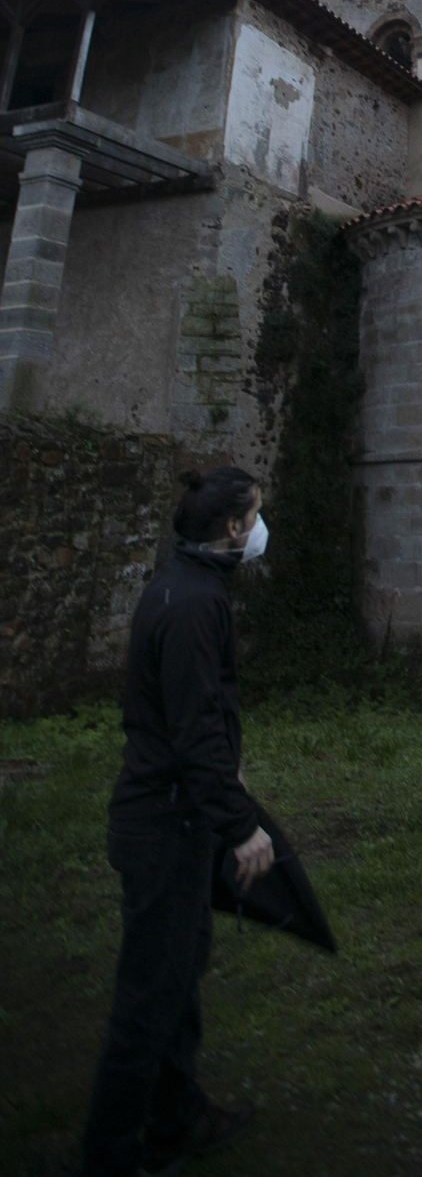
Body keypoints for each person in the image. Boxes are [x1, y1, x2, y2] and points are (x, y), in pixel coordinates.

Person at [80, 467, 276, 1177]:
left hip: (175, 813)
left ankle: (176, 1116)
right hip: (164, 824)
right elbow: (192, 730)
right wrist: (240, 825)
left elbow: (188, 716)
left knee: (177, 970)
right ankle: (105, 1158)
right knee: (148, 995)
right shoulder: (195, 605)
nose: (258, 527)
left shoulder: (183, 586)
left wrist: (228, 777)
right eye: (254, 515)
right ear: (230, 528)